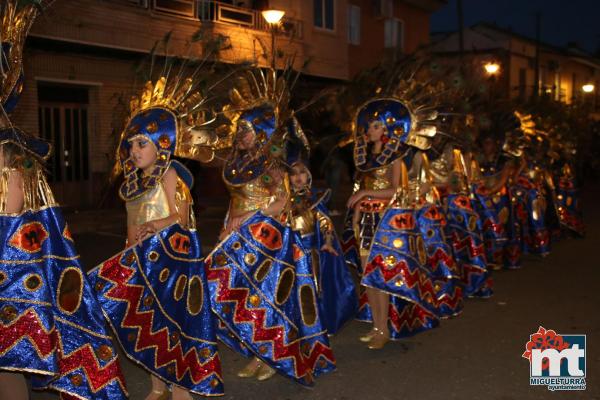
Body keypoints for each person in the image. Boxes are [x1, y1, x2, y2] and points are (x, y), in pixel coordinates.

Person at [87, 77, 224, 400]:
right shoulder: (133, 183)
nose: (134, 151)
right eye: (132, 145)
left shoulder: (169, 174)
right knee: (146, 322)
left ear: (161, 143)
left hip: (170, 263)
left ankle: (180, 387)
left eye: (142, 144)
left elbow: (185, 217)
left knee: (173, 323)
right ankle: (157, 385)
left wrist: (158, 224)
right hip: (141, 262)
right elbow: (132, 222)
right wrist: (128, 245)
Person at [204, 69, 335, 386]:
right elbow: (236, 201)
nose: (242, 135)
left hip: (266, 239)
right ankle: (256, 350)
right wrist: (229, 224)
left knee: (266, 298)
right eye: (240, 129)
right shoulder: (238, 163)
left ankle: (271, 356)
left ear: (262, 132)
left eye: (247, 130)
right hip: (236, 237)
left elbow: (283, 203)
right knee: (236, 293)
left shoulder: (274, 166)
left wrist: (250, 219)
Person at [288, 157, 358, 335]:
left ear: (308, 176)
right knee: (291, 289)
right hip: (289, 253)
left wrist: (327, 242)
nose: (298, 177)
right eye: (293, 173)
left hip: (311, 253)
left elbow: (326, 223)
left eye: (302, 172)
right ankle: (294, 326)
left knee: (313, 287)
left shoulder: (315, 199)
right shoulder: (282, 201)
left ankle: (315, 326)